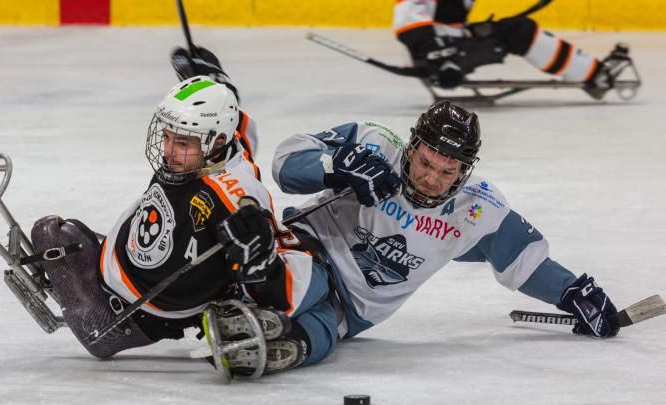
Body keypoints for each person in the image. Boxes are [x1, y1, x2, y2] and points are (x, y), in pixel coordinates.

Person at [29, 51, 334, 377]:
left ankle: (112, 329)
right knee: (58, 236)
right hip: (124, 258)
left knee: (53, 237)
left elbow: (278, 292)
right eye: (167, 137)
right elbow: (242, 128)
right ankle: (108, 270)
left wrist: (258, 266)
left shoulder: (237, 200)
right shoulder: (224, 144)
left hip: (146, 313)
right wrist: (216, 83)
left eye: (184, 143)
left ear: (215, 143)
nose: (169, 152)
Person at [261, 100, 619, 371]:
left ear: (465, 170)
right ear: (412, 147)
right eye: (425, 163)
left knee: (320, 335)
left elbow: (523, 258)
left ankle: (257, 343)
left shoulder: (477, 209)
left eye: (448, 172)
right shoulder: (375, 144)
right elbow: (285, 162)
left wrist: (572, 293)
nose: (432, 179)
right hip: (305, 250)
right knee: (310, 282)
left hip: (348, 312)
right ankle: (256, 303)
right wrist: (336, 166)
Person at [393, 0, 635, 99]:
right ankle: (596, 76)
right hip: (440, 55)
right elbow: (408, 23)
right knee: (518, 31)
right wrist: (443, 63)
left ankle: (591, 72)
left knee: (510, 29)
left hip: (450, 46)